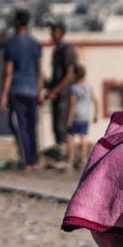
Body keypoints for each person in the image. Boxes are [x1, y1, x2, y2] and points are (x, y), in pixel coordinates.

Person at [0, 9, 43, 170]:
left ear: (17, 22)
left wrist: (3, 96)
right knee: (32, 126)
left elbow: (8, 73)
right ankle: (35, 160)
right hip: (33, 90)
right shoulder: (35, 44)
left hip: (17, 89)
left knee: (20, 126)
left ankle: (27, 161)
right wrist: (40, 92)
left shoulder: (12, 44)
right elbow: (40, 71)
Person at [42, 20, 78, 159]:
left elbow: (69, 75)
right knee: (56, 127)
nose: (51, 34)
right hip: (57, 95)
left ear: (61, 33)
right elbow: (56, 76)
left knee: (62, 127)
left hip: (64, 95)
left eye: (54, 31)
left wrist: (55, 91)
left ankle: (65, 157)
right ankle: (60, 156)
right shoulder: (56, 50)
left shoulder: (67, 49)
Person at [65, 64, 97, 168]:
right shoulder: (89, 87)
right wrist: (96, 114)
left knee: (70, 136)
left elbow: (73, 104)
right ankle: (83, 159)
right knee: (83, 136)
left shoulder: (74, 88)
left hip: (76, 115)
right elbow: (96, 101)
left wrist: (69, 118)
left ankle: (71, 158)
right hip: (85, 115)